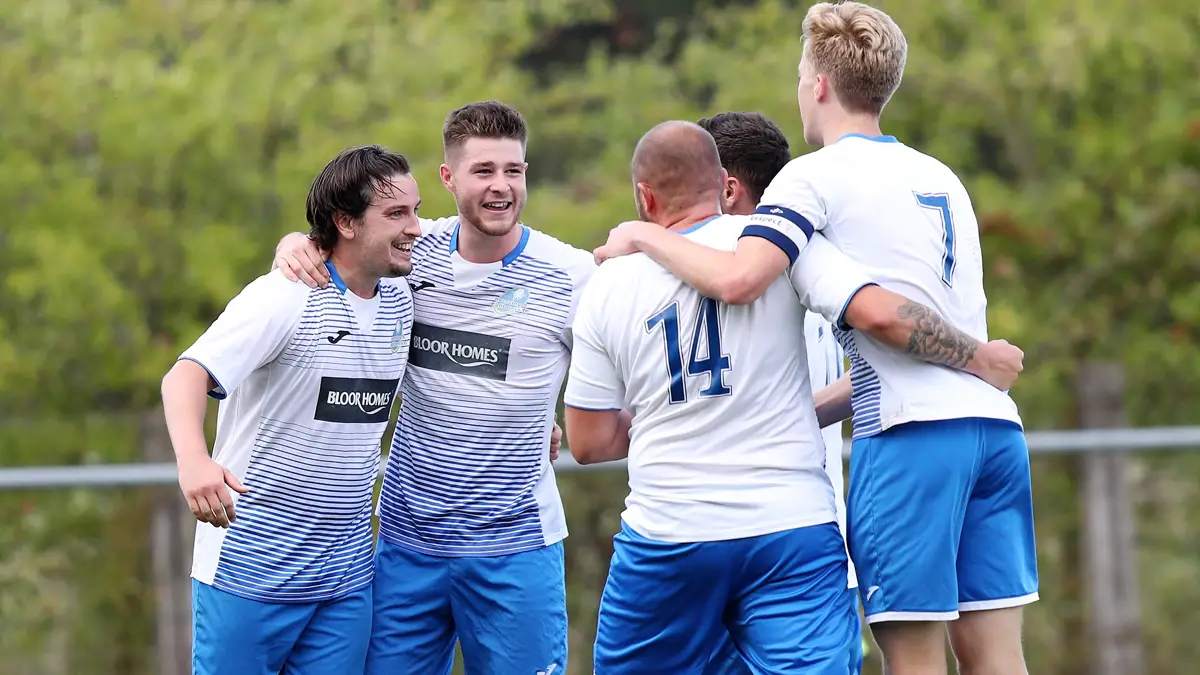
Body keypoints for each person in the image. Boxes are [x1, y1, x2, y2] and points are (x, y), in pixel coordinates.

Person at [592, 4, 1038, 674]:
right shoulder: (939, 174)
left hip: (913, 437)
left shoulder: (812, 175)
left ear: (820, 84)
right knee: (997, 660)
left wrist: (642, 235)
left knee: (914, 660)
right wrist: (977, 360)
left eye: (802, 72)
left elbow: (745, 278)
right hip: (995, 432)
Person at [273, 101, 592, 675]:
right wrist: (296, 242)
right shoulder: (411, 250)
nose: (501, 187)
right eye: (483, 171)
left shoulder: (572, 276)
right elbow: (346, 247)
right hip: (405, 544)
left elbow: (625, 373)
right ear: (448, 178)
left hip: (516, 550)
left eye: (514, 171)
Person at [160, 145, 420, 674]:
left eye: (416, 209)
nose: (416, 226)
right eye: (397, 214)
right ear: (345, 222)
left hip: (345, 580)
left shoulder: (402, 294)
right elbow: (183, 376)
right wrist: (193, 462)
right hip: (248, 570)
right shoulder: (286, 295)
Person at [697, 110, 863, 674]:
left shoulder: (777, 270)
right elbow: (873, 373)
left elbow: (871, 374)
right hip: (792, 539)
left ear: (727, 188)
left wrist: (785, 417)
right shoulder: (822, 263)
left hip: (769, 542)